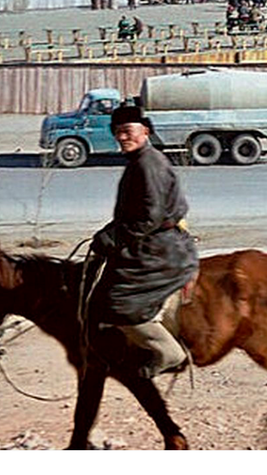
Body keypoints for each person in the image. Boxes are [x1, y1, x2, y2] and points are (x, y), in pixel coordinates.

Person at [87, 104, 198, 379]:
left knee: (119, 302)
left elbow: (150, 216)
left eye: (128, 131)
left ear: (145, 131)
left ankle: (168, 352)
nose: (122, 137)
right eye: (117, 133)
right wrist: (104, 234)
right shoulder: (140, 161)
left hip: (162, 247)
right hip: (151, 240)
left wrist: (110, 238)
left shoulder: (149, 164)